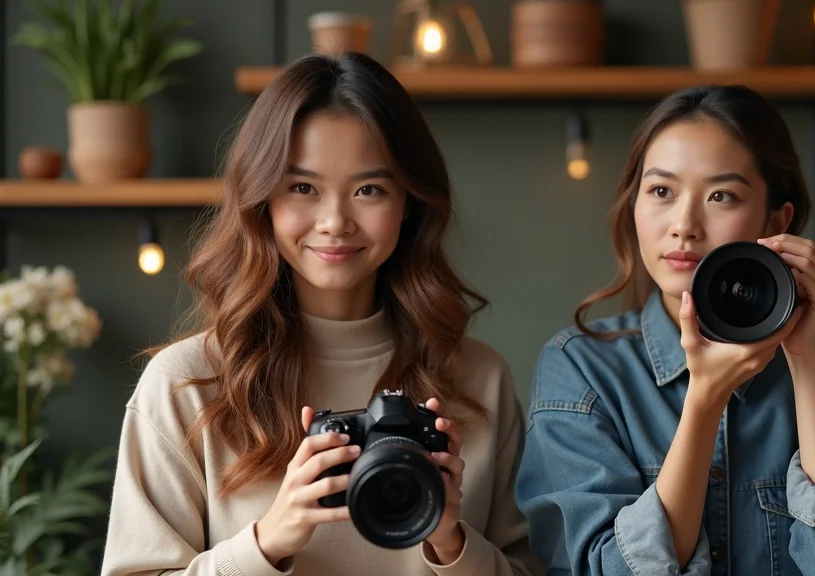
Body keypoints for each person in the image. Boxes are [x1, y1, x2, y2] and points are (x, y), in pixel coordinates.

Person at [101, 52, 544, 576]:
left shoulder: (478, 379)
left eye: (369, 190)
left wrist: (453, 544)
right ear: (262, 198)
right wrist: (268, 542)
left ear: (409, 204)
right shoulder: (186, 386)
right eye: (303, 188)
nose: (335, 221)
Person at [514, 85, 815, 575]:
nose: (684, 224)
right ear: (634, 206)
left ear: (777, 220)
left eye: (721, 195)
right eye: (661, 191)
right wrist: (704, 400)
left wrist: (807, 363)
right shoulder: (580, 369)